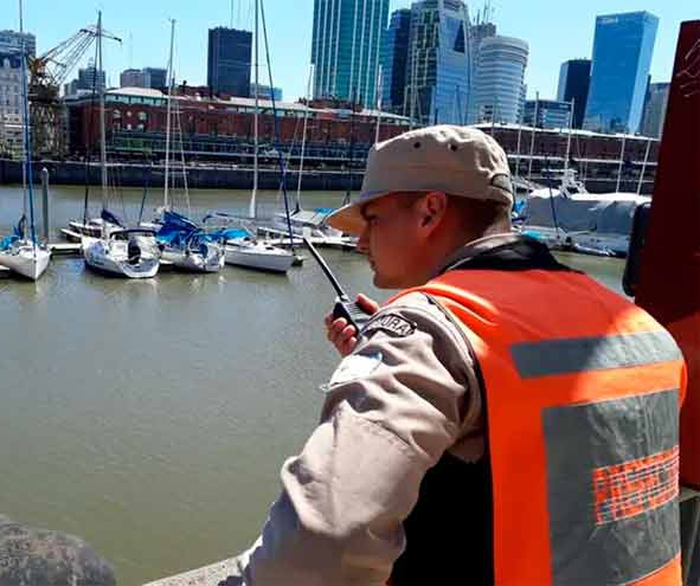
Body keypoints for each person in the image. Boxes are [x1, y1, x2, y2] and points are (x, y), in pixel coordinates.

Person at [237, 125, 687, 585]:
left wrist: (404, 350)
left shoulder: (429, 330)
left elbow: (317, 546)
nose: (360, 243)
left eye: (373, 220)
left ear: (430, 211)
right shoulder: (643, 330)